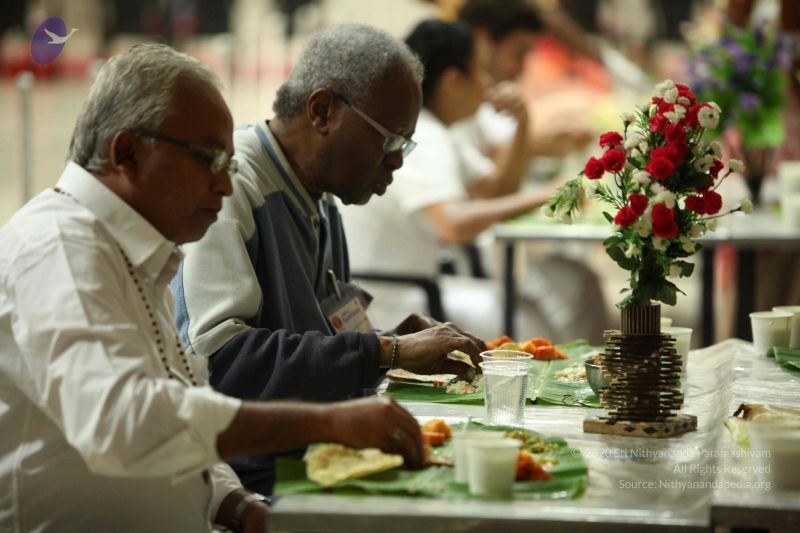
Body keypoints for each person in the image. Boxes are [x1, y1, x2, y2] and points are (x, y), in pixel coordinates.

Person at [0, 43, 431, 532]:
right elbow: (124, 422)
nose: (225, 186)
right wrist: (327, 421)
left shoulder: (138, 254)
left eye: (229, 164)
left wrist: (238, 506)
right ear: (127, 153)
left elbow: (182, 411)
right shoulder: (59, 248)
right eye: (209, 160)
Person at [173, 24, 485, 495]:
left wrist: (392, 341)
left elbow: (320, 341)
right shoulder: (233, 190)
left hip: (323, 447)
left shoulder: (320, 198)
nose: (397, 162)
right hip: (256, 479)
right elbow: (224, 365)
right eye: (390, 140)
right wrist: (385, 352)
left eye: (406, 145)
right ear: (323, 111)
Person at [341, 19, 564, 339]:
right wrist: (546, 194)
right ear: (453, 81)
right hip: (390, 301)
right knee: (530, 322)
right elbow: (453, 226)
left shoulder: (440, 130)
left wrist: (523, 125)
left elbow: (497, 191)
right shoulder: (424, 133)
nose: (489, 84)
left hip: (411, 288)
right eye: (482, 72)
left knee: (530, 309)